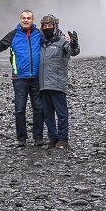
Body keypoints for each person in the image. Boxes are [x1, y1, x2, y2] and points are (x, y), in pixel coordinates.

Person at [0, 10, 44, 147]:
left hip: (36, 77)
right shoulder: (13, 34)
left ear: (32, 20)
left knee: (39, 108)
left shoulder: (39, 34)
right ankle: (21, 138)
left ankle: (38, 137)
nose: (26, 20)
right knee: (19, 109)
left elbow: (52, 39)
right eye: (23, 18)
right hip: (19, 78)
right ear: (20, 19)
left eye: (28, 18)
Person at [37, 14, 80, 148]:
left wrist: (74, 43)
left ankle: (63, 138)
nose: (48, 28)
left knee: (61, 113)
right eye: (45, 26)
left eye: (50, 26)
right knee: (47, 114)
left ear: (55, 26)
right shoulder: (40, 42)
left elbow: (73, 51)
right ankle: (53, 137)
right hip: (43, 84)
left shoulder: (62, 41)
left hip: (58, 83)